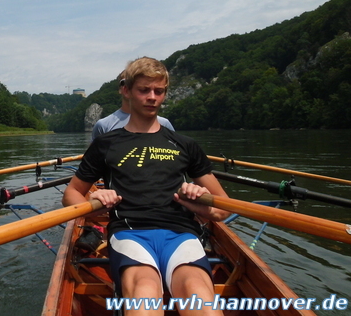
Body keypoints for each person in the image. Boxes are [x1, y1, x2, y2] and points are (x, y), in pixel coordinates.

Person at [63, 57, 230, 316]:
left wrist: (199, 203)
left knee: (198, 293)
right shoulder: (105, 144)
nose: (152, 97)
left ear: (164, 94)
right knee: (144, 291)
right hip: (131, 232)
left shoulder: (185, 144)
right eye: (144, 90)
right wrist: (92, 208)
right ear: (127, 91)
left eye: (159, 91)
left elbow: (222, 208)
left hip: (181, 233)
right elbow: (71, 194)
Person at [91, 72, 174, 141]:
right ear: (121, 89)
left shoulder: (164, 123)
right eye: (124, 83)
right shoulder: (103, 125)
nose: (127, 87)